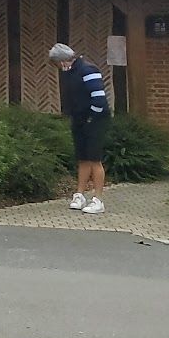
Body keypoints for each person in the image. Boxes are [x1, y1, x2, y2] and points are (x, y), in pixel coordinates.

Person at [49, 43, 110, 214]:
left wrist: (90, 118)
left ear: (63, 60)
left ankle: (98, 200)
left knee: (94, 159)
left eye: (57, 63)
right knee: (83, 158)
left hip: (95, 120)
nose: (59, 67)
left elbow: (98, 99)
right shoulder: (69, 73)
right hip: (79, 119)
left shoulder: (89, 70)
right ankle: (80, 195)